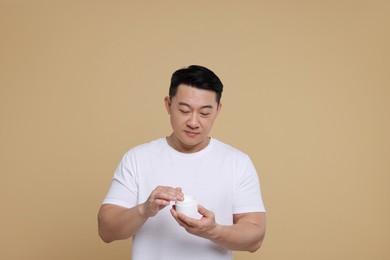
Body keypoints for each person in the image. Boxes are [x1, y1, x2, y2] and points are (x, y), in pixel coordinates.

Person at [98, 65, 266, 260]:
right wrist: (144, 209)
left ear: (218, 110)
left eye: (204, 113)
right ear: (168, 105)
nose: (194, 122)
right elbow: (106, 230)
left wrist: (213, 231)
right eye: (185, 110)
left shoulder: (238, 163)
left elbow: (255, 238)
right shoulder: (137, 159)